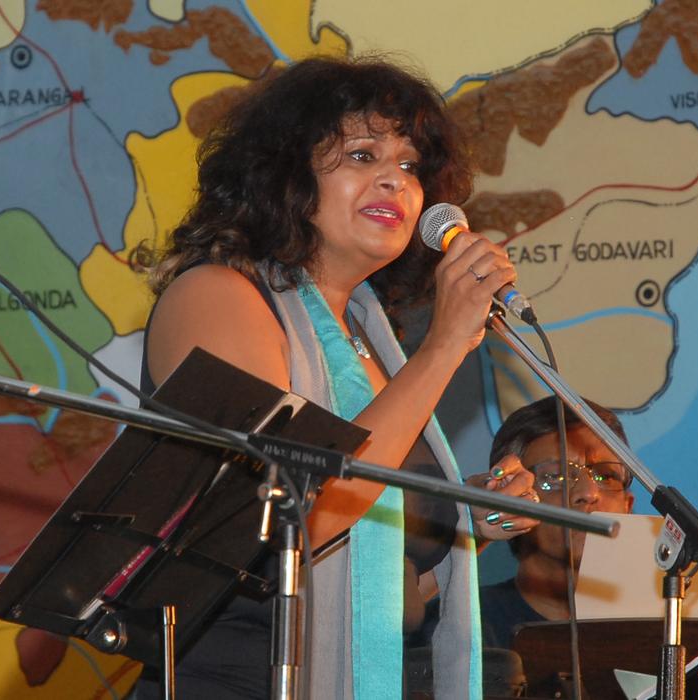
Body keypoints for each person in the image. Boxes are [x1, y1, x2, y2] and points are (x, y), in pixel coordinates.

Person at [136, 56, 535, 699]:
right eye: (362, 156)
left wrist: (473, 527)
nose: (395, 181)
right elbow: (293, 520)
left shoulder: (371, 338)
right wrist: (444, 347)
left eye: (410, 166)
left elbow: (385, 593)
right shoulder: (216, 295)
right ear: (285, 176)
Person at [472, 397, 635, 650]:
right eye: (557, 476)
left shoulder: (672, 631)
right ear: (510, 498)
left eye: (605, 476)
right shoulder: (462, 626)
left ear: (628, 505)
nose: (588, 493)